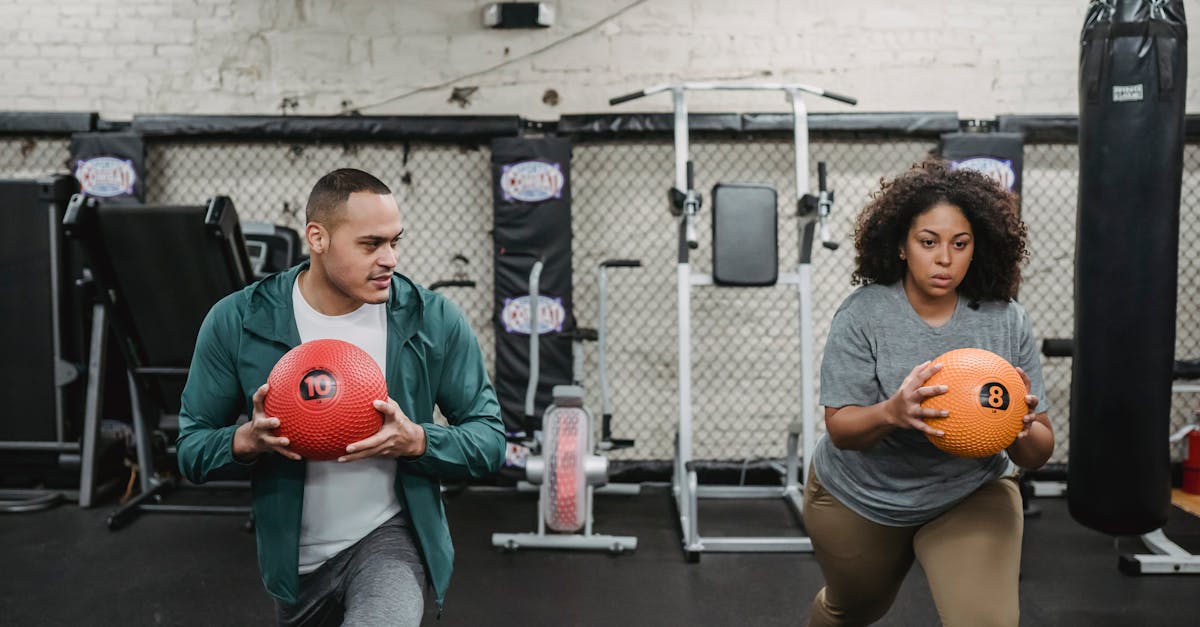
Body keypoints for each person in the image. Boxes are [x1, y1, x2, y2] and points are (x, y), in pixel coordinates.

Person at [176, 168, 506, 626]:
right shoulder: (238, 319)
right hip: (294, 567)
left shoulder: (431, 319)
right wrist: (244, 441)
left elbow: (490, 439)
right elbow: (190, 448)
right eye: (371, 245)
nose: (390, 259)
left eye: (395, 242)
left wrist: (419, 441)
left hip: (389, 539)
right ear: (318, 238)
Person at [803, 159, 1054, 627]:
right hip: (863, 495)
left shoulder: (1005, 318)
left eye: (960, 244)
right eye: (928, 242)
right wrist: (892, 412)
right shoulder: (863, 315)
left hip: (969, 491)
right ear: (901, 246)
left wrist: (1019, 428)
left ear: (977, 247)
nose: (945, 259)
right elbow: (841, 429)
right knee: (853, 610)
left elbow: (1039, 450)